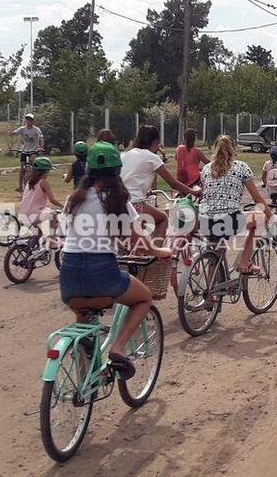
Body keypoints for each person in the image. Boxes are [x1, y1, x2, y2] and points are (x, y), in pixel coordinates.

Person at [60, 142, 171, 380]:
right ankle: (118, 348)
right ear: (117, 171)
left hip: (69, 275)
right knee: (143, 298)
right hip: (101, 273)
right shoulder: (116, 199)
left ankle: (86, 378)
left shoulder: (73, 199)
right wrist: (158, 251)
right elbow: (138, 237)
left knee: (84, 322)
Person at [199, 135, 271, 273]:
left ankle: (210, 294)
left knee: (215, 251)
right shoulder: (241, 167)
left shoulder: (207, 168)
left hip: (205, 220)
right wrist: (271, 216)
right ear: (234, 149)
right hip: (228, 219)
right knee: (260, 219)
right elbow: (257, 199)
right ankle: (244, 262)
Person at [120, 125, 199, 245]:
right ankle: (155, 255)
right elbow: (172, 183)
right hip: (135, 203)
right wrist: (193, 192)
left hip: (117, 201)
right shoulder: (152, 158)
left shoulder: (126, 154)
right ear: (155, 142)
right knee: (162, 218)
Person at [19, 156, 64, 237]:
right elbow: (52, 200)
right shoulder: (43, 183)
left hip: (24, 213)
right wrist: (64, 206)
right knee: (54, 217)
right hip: (34, 214)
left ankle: (38, 239)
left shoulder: (29, 181)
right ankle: (52, 242)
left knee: (45, 216)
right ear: (45, 171)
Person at [10, 113, 45, 192]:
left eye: (30, 120)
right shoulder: (22, 129)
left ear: (33, 121)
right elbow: (15, 132)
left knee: (33, 162)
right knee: (22, 167)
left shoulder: (36, 129)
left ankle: (35, 181)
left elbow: (41, 139)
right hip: (25, 150)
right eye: (27, 120)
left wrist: (41, 147)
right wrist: (11, 133)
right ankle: (20, 186)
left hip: (34, 150)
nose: (28, 121)